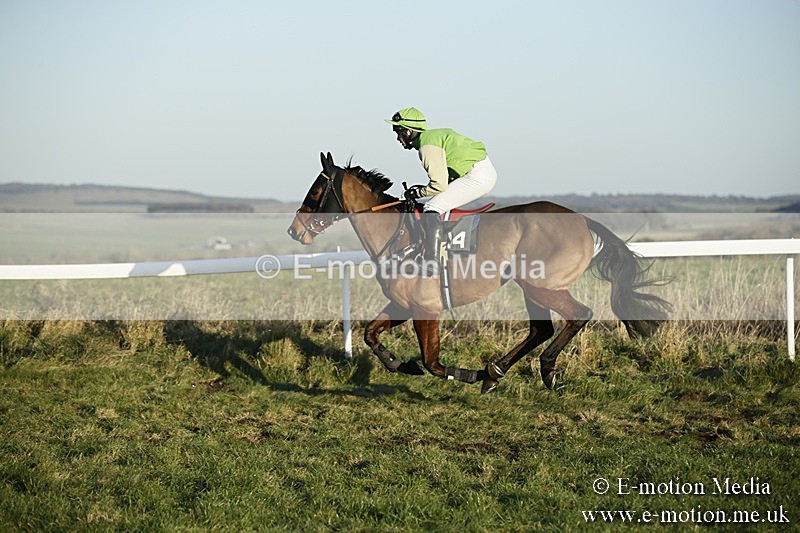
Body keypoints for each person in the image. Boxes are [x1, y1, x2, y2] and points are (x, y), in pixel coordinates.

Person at [386, 107, 497, 273]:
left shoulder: (427, 145)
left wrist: (415, 193)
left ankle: (433, 261)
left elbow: (439, 185)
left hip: (478, 175)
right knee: (436, 204)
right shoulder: (431, 138)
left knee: (431, 208)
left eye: (398, 131)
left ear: (409, 132)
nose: (397, 138)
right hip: (479, 171)